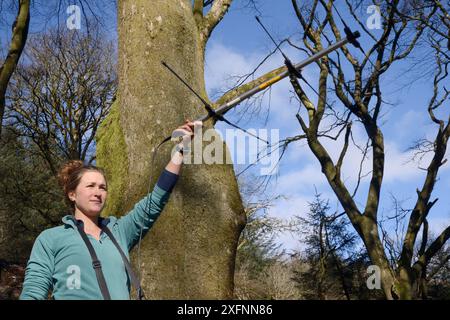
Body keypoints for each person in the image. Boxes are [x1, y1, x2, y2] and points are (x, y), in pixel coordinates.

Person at [19, 120, 200, 300]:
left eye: (102, 187)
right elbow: (33, 292)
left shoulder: (119, 231)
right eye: (90, 186)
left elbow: (156, 200)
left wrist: (181, 150)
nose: (98, 193)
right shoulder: (51, 238)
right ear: (72, 194)